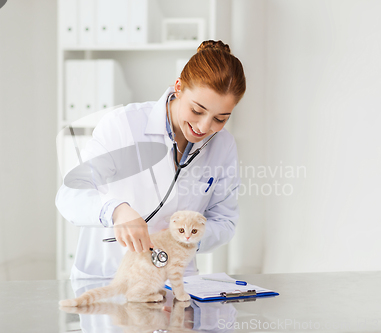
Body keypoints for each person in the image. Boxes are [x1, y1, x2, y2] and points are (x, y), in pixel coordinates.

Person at [56, 40, 246, 279]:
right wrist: (115, 211)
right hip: (110, 279)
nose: (204, 126)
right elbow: (70, 194)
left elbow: (224, 220)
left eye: (220, 118)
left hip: (175, 280)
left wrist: (184, 239)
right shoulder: (123, 125)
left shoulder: (224, 145)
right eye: (197, 111)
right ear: (178, 87)